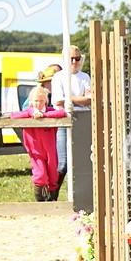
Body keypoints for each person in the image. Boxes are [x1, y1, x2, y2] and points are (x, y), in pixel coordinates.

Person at [11, 84, 69, 201]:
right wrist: (31, 114)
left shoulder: (50, 111)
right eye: (36, 101)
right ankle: (40, 200)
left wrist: (44, 115)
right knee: (40, 174)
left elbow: (61, 113)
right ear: (31, 101)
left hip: (50, 149)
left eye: (41, 100)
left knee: (53, 174)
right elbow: (14, 116)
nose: (39, 103)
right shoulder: (28, 112)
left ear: (46, 101)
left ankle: (52, 198)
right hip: (35, 150)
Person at [50, 46, 91, 198]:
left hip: (83, 121)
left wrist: (70, 98)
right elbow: (58, 101)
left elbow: (90, 100)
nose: (74, 62)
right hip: (63, 121)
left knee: (83, 160)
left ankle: (83, 196)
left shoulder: (85, 77)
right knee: (63, 163)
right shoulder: (58, 77)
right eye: (71, 59)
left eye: (77, 58)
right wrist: (80, 99)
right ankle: (52, 195)